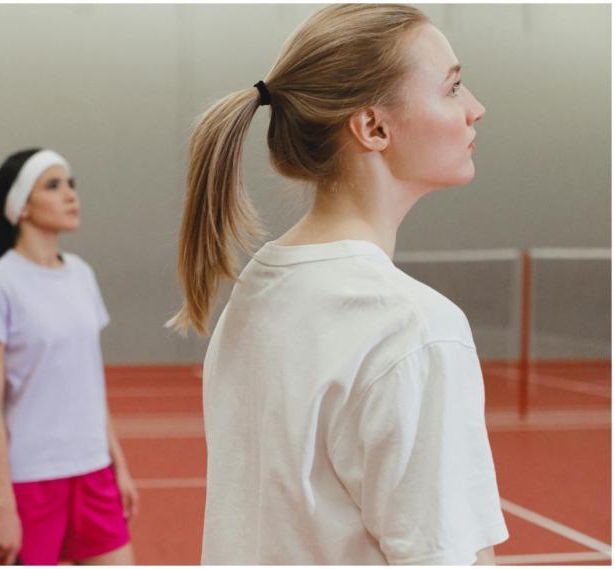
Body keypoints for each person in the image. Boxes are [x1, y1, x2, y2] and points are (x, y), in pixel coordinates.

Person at [168, 4, 508, 565]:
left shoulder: (258, 290)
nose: (475, 109)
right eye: (452, 88)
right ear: (373, 127)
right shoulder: (413, 327)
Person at [0, 148, 138, 565]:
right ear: (21, 205)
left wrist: (118, 464)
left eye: (72, 184)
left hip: (92, 473)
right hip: (28, 481)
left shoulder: (81, 273)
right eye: (54, 185)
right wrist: (3, 504)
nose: (71, 195)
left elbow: (88, 383)